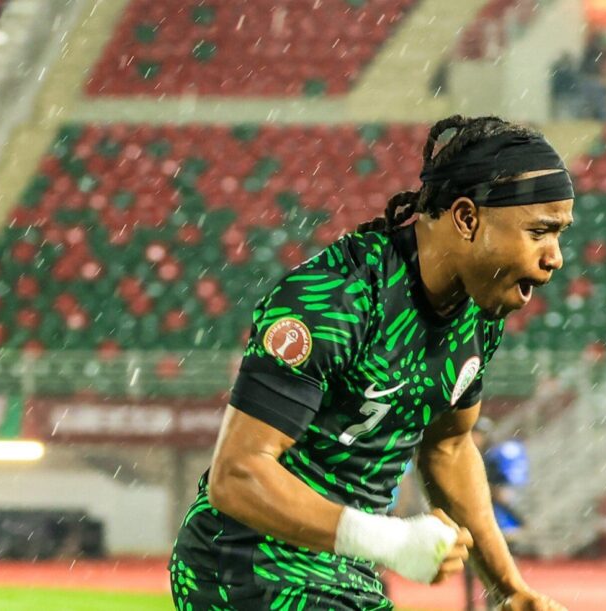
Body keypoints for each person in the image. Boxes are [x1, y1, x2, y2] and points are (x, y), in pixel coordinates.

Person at [169, 115, 573, 610]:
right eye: (540, 232)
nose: (555, 257)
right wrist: (387, 540)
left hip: (346, 571)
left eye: (559, 235)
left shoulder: (477, 313)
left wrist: (509, 589)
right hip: (243, 564)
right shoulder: (335, 299)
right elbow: (236, 477)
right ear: (467, 219)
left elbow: (448, 447)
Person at [465, 417, 531, 609]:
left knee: (498, 566)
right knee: (474, 565)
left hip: (495, 518)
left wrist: (517, 517)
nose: (476, 437)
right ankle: (473, 604)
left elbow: (500, 492)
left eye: (479, 434)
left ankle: (496, 604)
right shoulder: (469, 456)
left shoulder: (491, 458)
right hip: (476, 515)